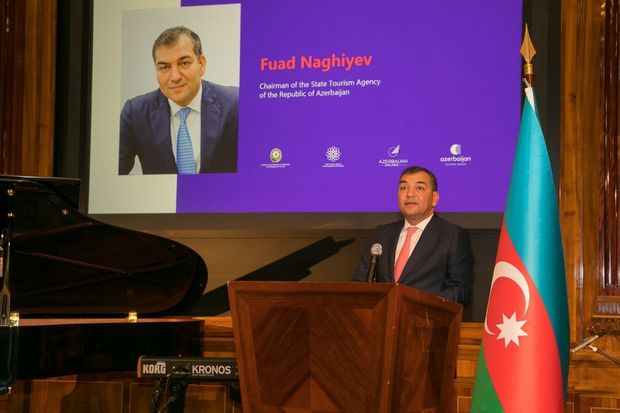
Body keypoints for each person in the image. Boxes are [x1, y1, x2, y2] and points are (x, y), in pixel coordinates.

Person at [119, 26, 238, 175]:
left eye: (184, 63)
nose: (175, 77)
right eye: (164, 67)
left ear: (201, 64)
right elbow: (111, 176)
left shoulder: (236, 104)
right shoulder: (134, 113)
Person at [353, 166, 474, 305]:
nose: (410, 194)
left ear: (434, 198)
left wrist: (419, 305)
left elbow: (460, 290)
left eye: (419, 188)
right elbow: (359, 282)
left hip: (426, 316)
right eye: (403, 188)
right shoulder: (381, 234)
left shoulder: (453, 235)